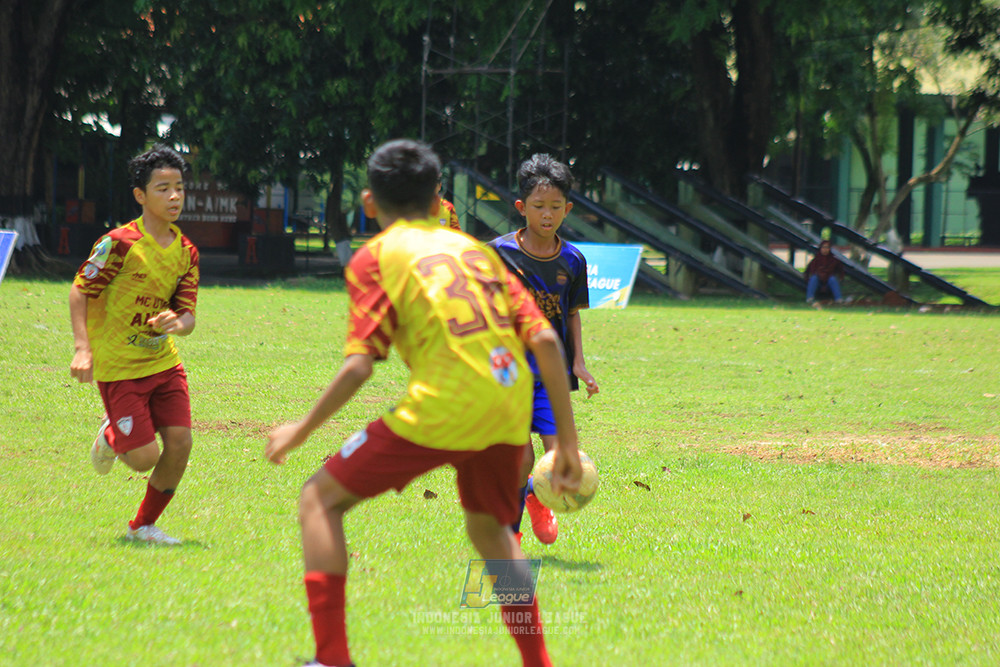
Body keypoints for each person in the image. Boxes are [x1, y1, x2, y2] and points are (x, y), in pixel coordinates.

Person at [264, 139, 582, 667]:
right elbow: (548, 343)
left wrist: (299, 430)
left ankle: (331, 659)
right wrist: (566, 444)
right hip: (507, 406)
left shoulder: (376, 257)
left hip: (444, 405)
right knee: (492, 534)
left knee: (319, 500)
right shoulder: (477, 253)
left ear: (370, 203)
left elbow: (361, 365)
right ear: (439, 199)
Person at [69, 143, 199, 546]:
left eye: (178, 187)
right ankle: (112, 435)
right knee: (143, 459)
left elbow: (189, 316)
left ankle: (142, 526)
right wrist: (82, 348)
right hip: (119, 366)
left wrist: (177, 324)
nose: (174, 196)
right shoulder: (119, 244)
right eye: (162, 188)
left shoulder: (186, 252)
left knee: (180, 444)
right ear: (140, 196)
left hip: (162, 362)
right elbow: (80, 291)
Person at [487, 153, 599, 547]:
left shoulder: (573, 259)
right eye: (538, 207)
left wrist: (579, 364)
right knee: (519, 461)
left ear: (567, 208)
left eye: (555, 207)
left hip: (553, 375)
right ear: (521, 208)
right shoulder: (498, 254)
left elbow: (571, 316)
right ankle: (512, 534)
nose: (547, 215)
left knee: (558, 460)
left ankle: (539, 494)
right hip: (509, 374)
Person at [805, 239, 844, 303]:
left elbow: (841, 271)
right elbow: (808, 271)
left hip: (829, 282)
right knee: (814, 278)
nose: (825, 250)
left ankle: (838, 299)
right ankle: (810, 298)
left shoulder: (834, 260)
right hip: (818, 282)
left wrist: (840, 279)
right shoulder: (816, 260)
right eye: (823, 247)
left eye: (827, 248)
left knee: (832, 279)